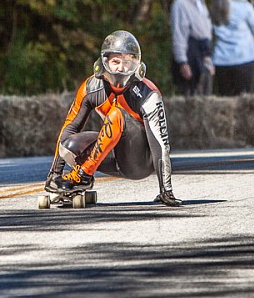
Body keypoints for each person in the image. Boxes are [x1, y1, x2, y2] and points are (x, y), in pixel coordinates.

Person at [45, 30, 182, 206]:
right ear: (104, 62)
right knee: (69, 145)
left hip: (139, 162)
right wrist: (54, 175)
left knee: (116, 114)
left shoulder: (148, 93)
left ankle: (83, 174)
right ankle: (80, 181)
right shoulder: (90, 87)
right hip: (112, 156)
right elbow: (70, 126)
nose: (121, 68)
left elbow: (160, 144)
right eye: (116, 61)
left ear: (137, 64)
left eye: (127, 62)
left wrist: (166, 190)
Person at [210, 0, 254, 95]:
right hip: (244, 58)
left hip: (221, 60)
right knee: (244, 101)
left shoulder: (214, 9)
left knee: (225, 100)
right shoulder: (244, 7)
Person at [170, 0, 214, 96]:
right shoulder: (180, 4)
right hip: (190, 54)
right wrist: (183, 62)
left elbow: (206, 33)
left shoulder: (201, 2)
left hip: (203, 54)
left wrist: (209, 61)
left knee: (206, 96)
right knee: (191, 96)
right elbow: (179, 35)